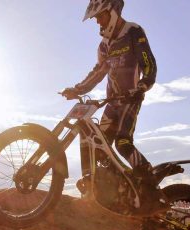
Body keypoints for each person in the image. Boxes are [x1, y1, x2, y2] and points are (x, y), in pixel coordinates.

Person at [61, 0, 158, 209]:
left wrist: (142, 86)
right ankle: (116, 184)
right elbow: (98, 72)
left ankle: (148, 179)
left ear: (113, 12)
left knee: (122, 142)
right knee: (96, 143)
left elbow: (148, 63)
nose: (98, 22)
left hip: (130, 99)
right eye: (95, 18)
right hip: (112, 103)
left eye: (99, 16)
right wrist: (77, 89)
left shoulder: (133, 31)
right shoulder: (105, 45)